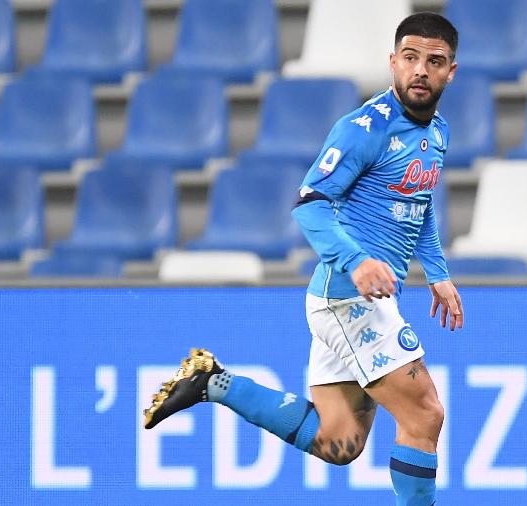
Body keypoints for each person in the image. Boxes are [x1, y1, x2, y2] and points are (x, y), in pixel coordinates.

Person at [143, 12, 463, 506]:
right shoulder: (364, 128)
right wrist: (356, 261)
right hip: (349, 297)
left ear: (450, 72)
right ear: (393, 61)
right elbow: (310, 205)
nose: (420, 70)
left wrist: (437, 274)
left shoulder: (436, 131)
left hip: (351, 298)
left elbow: (418, 202)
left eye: (434, 61)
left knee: (340, 443)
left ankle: (214, 382)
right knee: (425, 414)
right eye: (411, 58)